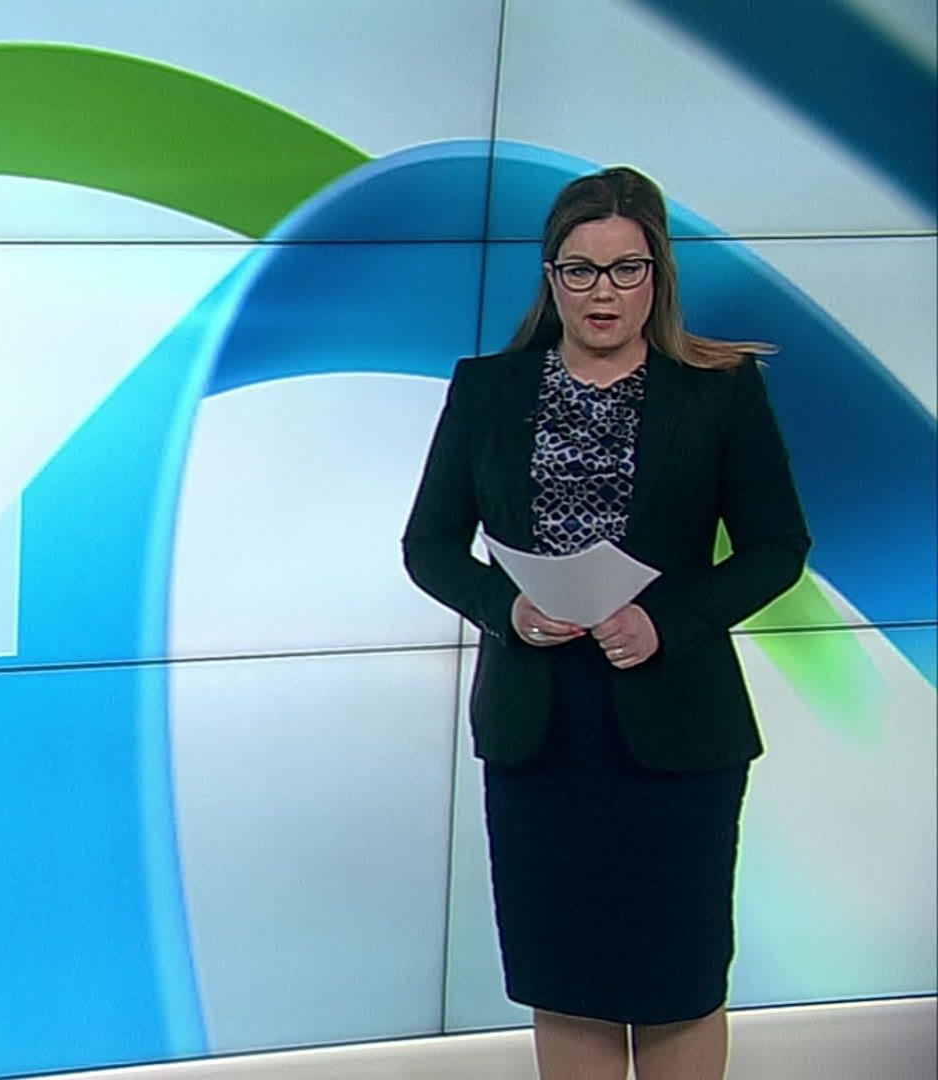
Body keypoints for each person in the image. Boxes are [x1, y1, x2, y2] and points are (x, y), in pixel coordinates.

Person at [401, 166, 812, 1080]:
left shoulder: (719, 390)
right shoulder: (488, 390)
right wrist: (506, 609)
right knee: (568, 977)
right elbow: (428, 546)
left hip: (679, 728)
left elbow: (778, 546)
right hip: (539, 733)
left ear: (657, 275)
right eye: (581, 270)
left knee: (678, 978)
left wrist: (669, 622)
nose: (603, 292)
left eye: (627, 269)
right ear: (551, 277)